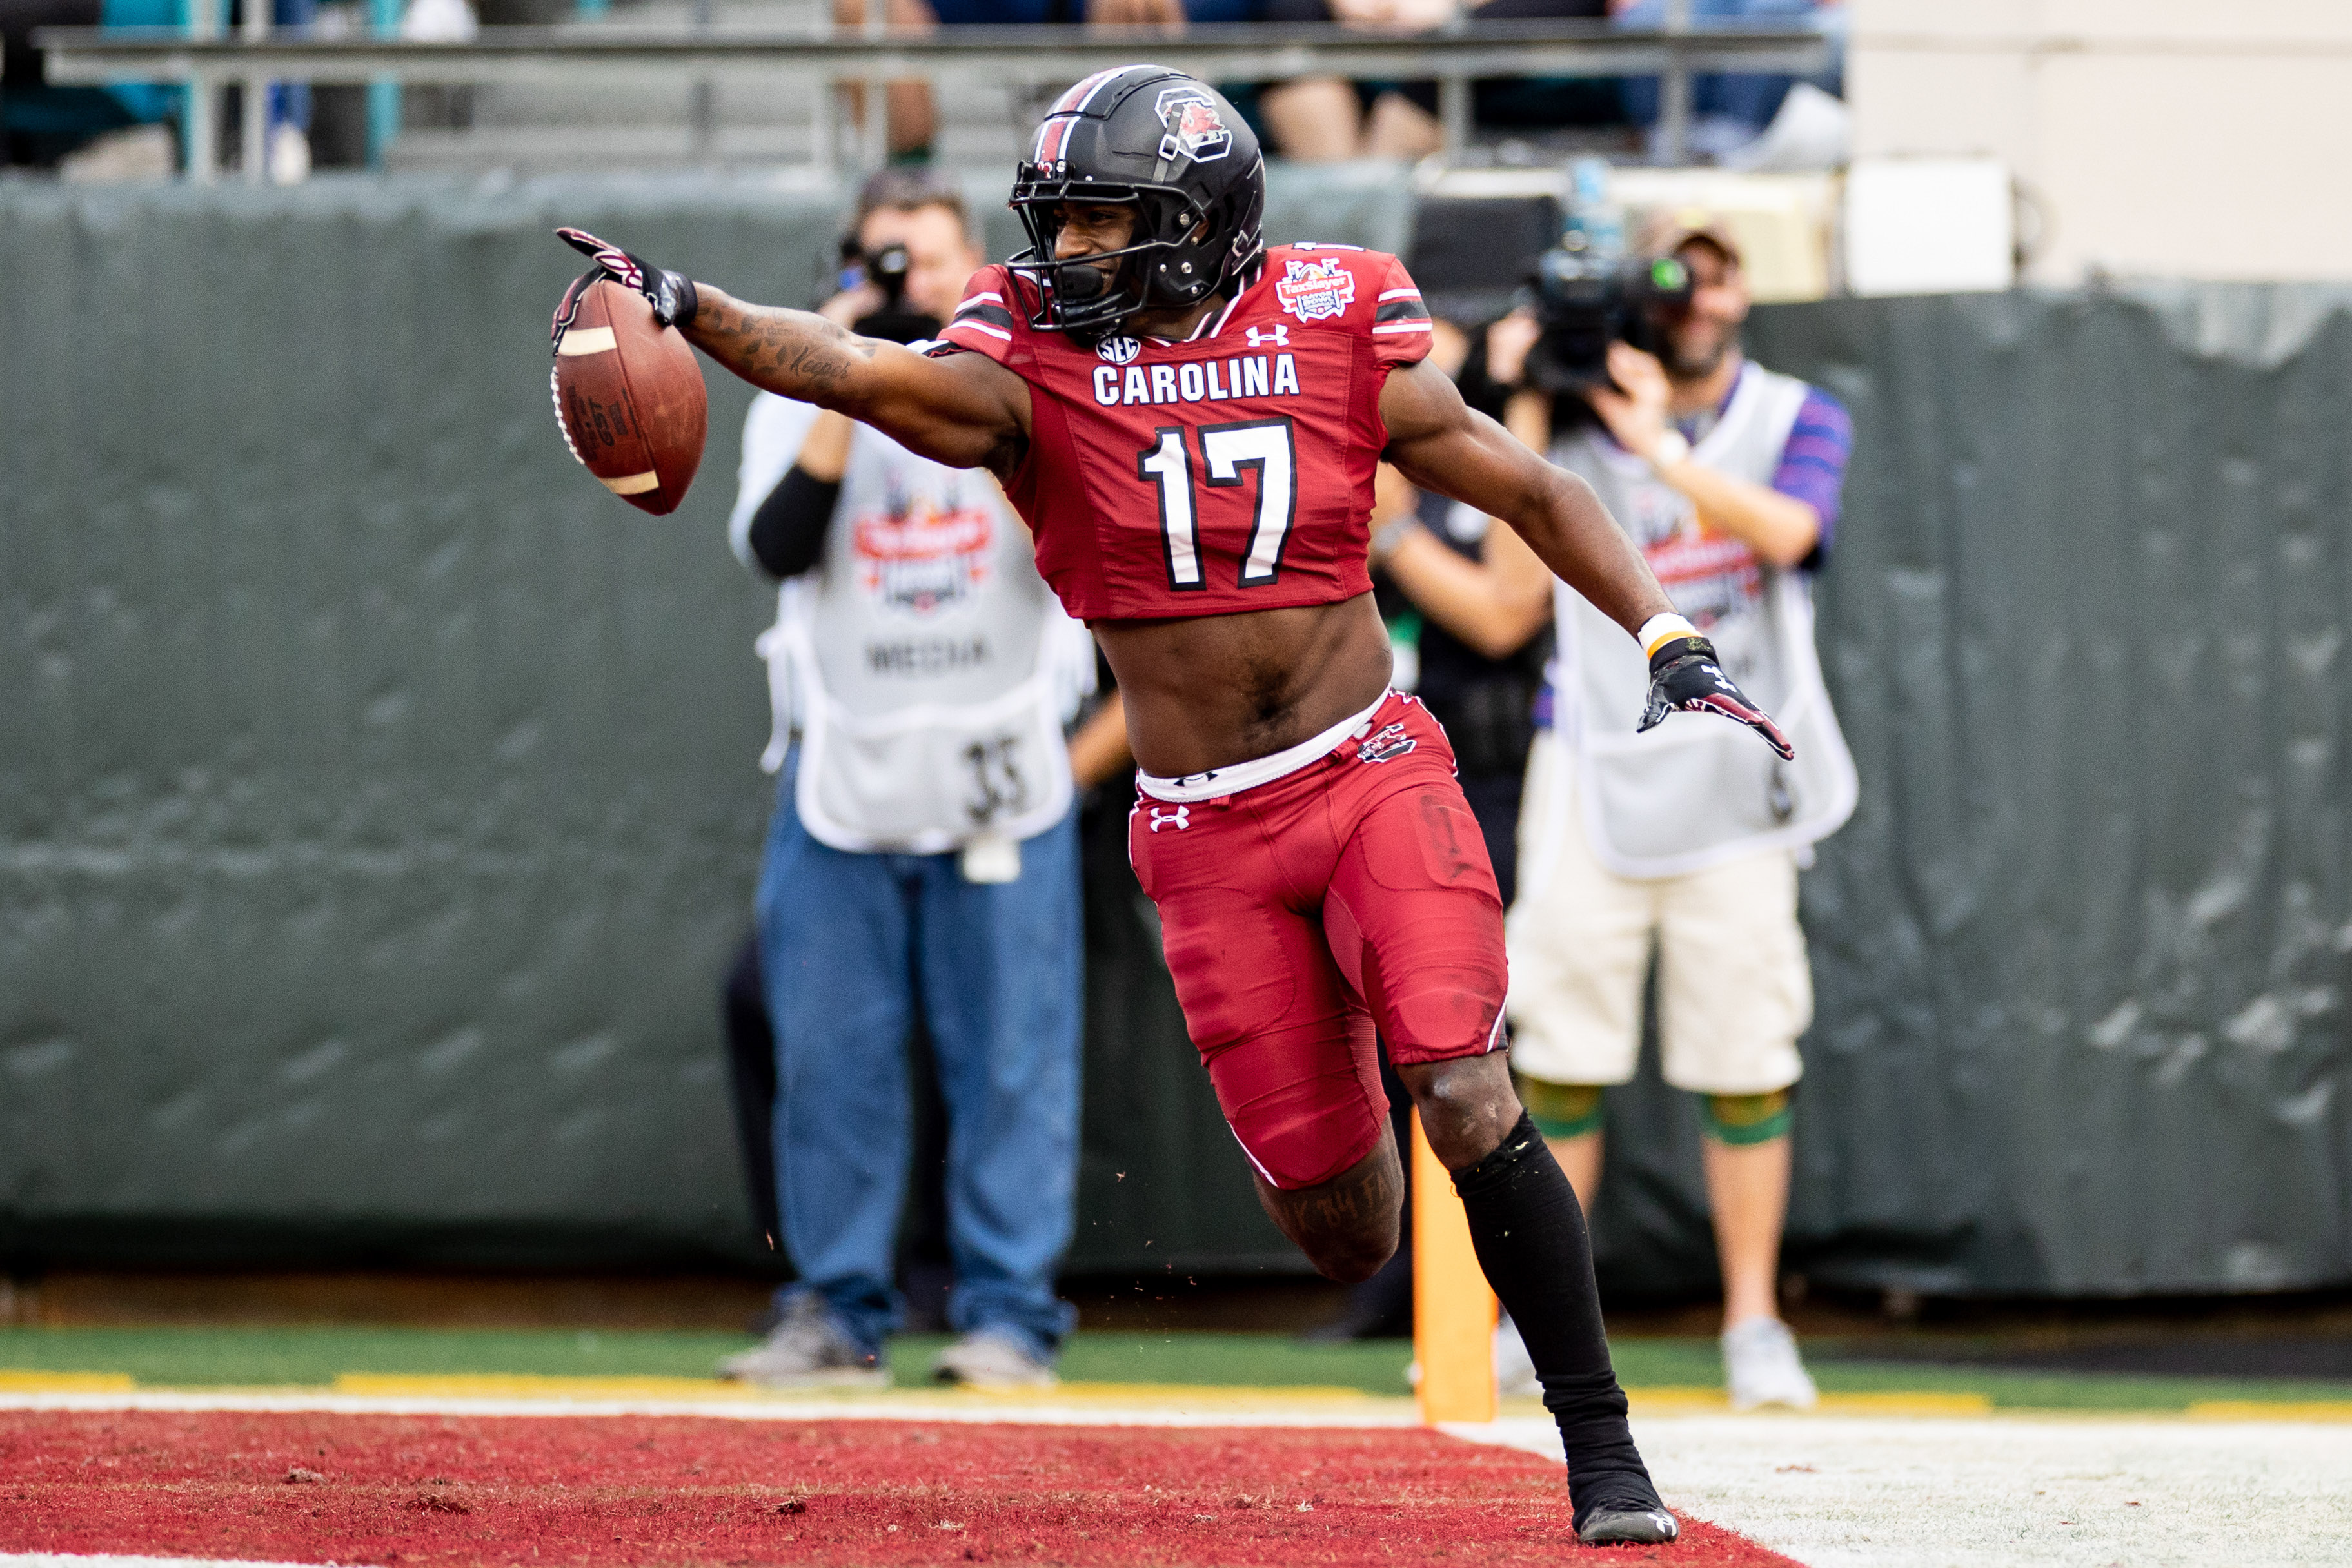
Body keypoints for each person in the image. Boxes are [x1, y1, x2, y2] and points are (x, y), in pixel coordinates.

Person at [555, 64, 1792, 1544]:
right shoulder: (1028, 356)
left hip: (1368, 768)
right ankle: (1344, 1043)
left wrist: (1667, 633)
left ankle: (1605, 1454)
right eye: (1059, 221)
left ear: (1205, 224)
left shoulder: (1338, 314)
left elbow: (1524, 484)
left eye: (1102, 221)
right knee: (1347, 1227)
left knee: (1462, 1086)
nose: (1069, 252)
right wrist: (690, 304)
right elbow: (851, 367)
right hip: (1204, 823)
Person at [1373, 217, 1855, 1409]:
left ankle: (1753, 1320)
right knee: (1564, 1054)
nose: (1689, 295)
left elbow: (1792, 534)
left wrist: (1660, 450)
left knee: (1746, 1058)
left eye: (1712, 268)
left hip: (1736, 785)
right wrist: (1533, 392)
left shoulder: (1796, 414)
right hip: (1592, 772)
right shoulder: (1574, 408)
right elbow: (1510, 591)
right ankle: (1540, 1324)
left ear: (1748, 289)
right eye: (1667, 274)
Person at [711, 168, 1129, 1392]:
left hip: (1001, 767)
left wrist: (969, 368)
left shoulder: (1026, 384)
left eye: (933, 258)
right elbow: (779, 550)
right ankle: (834, 1309)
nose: (912, 280)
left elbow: (1089, 547)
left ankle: (1011, 1316)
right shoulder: (796, 388)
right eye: (888, 258)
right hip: (846, 766)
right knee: (831, 1054)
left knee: (1012, 1059)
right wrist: (843, 371)